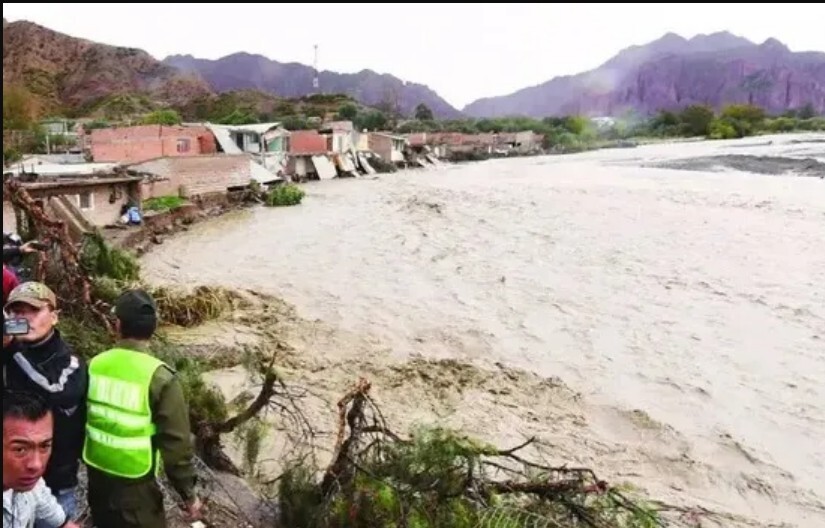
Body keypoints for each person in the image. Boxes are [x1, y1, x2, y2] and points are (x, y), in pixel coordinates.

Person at [84, 289, 202, 528]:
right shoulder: (161, 378)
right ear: (153, 328)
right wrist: (189, 495)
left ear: (117, 325)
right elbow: (176, 446)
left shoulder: (93, 365)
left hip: (96, 484)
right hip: (136, 493)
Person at [3, 282, 87, 526]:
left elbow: (55, 393)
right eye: (17, 312)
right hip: (10, 481)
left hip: (56, 483)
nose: (24, 318)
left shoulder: (72, 364)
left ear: (54, 317)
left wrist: (13, 351)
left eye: (33, 310)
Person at [3, 390, 80, 528]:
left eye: (44, 446)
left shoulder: (32, 484)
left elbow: (62, 524)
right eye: (20, 450)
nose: (36, 465)